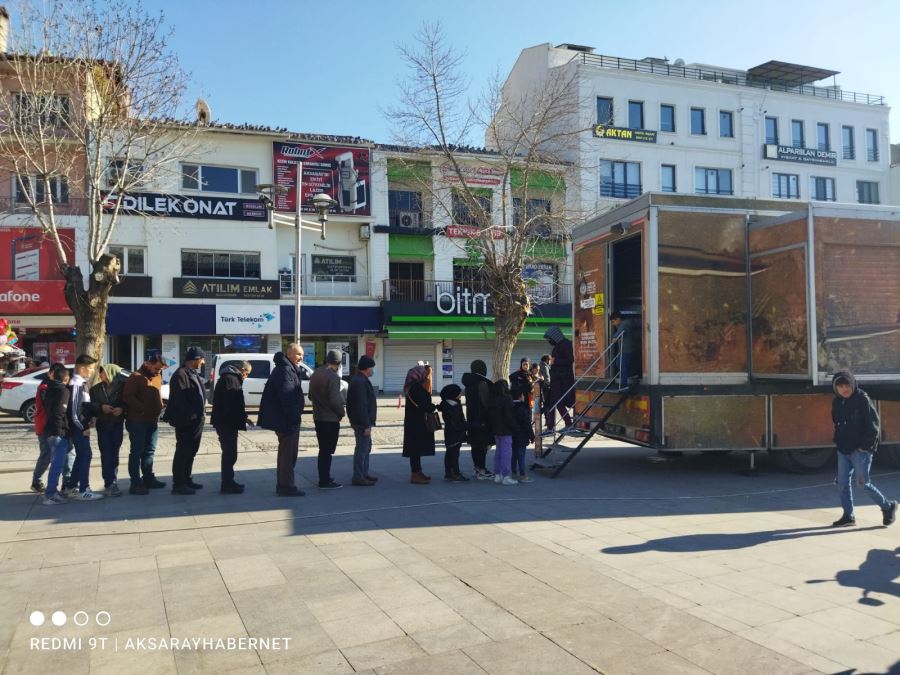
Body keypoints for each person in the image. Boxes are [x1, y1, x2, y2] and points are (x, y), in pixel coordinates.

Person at [831, 371, 897, 528]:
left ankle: (888, 507)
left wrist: (864, 446)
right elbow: (838, 423)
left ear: (853, 384)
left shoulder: (862, 399)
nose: (844, 389)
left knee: (863, 484)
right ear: (836, 389)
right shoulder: (837, 402)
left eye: (847, 385)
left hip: (860, 450)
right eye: (840, 386)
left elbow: (874, 425)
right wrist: (838, 441)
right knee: (842, 483)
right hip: (843, 449)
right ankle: (848, 516)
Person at [258, 344, 306, 496]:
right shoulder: (285, 370)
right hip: (286, 422)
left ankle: (285, 484)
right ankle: (286, 487)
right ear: (289, 354)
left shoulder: (287, 368)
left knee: (288, 454)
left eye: (302, 354)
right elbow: (287, 397)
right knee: (287, 455)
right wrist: (294, 418)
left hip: (287, 420)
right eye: (298, 354)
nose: (301, 357)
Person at [166, 347, 207, 495]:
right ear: (195, 359)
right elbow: (181, 401)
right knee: (183, 452)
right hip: (186, 422)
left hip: (196, 420)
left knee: (191, 451)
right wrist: (193, 417)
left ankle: (187, 479)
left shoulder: (192, 373)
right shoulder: (180, 374)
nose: (203, 362)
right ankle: (179, 484)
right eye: (202, 359)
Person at [122, 354, 165, 494]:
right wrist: (143, 408)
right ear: (148, 364)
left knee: (150, 450)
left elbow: (158, 392)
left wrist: (160, 406)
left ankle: (148, 478)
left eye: (161, 369)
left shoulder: (158, 376)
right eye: (156, 368)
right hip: (137, 421)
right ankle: (135, 483)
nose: (158, 371)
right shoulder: (136, 377)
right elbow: (128, 397)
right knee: (137, 451)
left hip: (152, 420)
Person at [65, 354, 104, 500]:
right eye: (91, 368)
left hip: (82, 427)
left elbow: (84, 408)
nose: (93, 371)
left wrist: (90, 420)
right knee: (85, 455)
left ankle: (72, 486)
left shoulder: (82, 383)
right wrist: (83, 428)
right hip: (78, 429)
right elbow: (74, 412)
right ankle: (83, 489)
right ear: (82, 368)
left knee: (83, 456)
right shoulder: (76, 384)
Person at [211, 361, 251, 494]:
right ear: (242, 369)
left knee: (230, 454)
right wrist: (240, 418)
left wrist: (244, 418)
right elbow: (232, 404)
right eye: (247, 373)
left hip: (226, 422)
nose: (246, 376)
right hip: (227, 423)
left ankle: (229, 481)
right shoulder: (231, 379)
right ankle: (227, 484)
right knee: (229, 454)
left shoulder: (230, 378)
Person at [309, 349, 345, 490]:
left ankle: (323, 477)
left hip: (318, 417)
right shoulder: (333, 377)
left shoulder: (316, 373)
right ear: (339, 362)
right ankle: (325, 480)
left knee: (322, 449)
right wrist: (342, 412)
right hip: (330, 419)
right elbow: (335, 401)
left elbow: (311, 396)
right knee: (327, 451)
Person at [90, 363, 127, 497]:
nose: (100, 375)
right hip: (103, 425)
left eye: (103, 372)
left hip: (117, 424)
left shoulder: (122, 387)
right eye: (100, 372)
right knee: (106, 454)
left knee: (114, 453)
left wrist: (122, 409)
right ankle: (109, 483)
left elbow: (128, 403)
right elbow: (91, 405)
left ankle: (113, 480)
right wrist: (101, 407)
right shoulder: (95, 389)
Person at [41, 364, 72, 505]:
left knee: (55, 463)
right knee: (57, 465)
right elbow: (60, 412)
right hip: (58, 432)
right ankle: (51, 493)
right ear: (66, 378)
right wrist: (60, 431)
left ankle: (52, 491)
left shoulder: (49, 388)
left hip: (49, 431)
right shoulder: (63, 391)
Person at [347, 355, 378, 486]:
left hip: (362, 421)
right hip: (362, 423)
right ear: (366, 368)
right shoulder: (360, 381)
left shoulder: (360, 379)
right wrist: (366, 425)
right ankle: (358, 476)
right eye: (371, 368)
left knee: (366, 448)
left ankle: (364, 473)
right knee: (362, 449)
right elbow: (361, 406)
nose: (372, 370)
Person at [403, 363, 435, 484]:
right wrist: (433, 407)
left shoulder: (411, 387)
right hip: (416, 422)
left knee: (415, 448)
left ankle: (418, 471)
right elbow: (425, 404)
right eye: (424, 374)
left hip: (414, 421)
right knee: (415, 448)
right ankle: (415, 474)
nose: (425, 376)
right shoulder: (416, 388)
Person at [462, 360, 494, 480]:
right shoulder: (482, 383)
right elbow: (485, 403)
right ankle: (482, 469)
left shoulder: (469, 383)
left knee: (475, 445)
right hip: (482, 420)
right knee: (482, 445)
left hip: (472, 418)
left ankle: (477, 468)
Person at [544, 326, 574, 431]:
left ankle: (567, 424)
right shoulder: (557, 346)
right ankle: (552, 426)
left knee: (558, 403)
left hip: (563, 379)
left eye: (549, 339)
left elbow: (570, 360)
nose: (549, 341)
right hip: (556, 379)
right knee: (553, 403)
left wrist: (555, 362)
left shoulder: (566, 345)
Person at [438, 383, 468, 482]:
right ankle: (455, 473)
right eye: (459, 393)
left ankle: (449, 472)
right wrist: (465, 427)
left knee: (450, 452)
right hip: (455, 433)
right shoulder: (453, 406)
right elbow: (457, 422)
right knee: (454, 454)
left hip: (450, 432)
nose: (461, 395)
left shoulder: (448, 404)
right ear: (453, 394)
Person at [490, 379, 518, 485]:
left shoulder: (493, 399)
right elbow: (509, 416)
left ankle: (497, 474)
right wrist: (514, 427)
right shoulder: (507, 399)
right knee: (506, 452)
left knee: (498, 452)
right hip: (506, 430)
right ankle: (506, 476)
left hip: (496, 429)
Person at [30, 371, 52, 493]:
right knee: (46, 455)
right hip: (44, 425)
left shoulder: (46, 386)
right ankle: (36, 482)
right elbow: (48, 407)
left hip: (43, 424)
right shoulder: (45, 388)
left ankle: (37, 481)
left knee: (46, 454)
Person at [511, 384, 536, 483]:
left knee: (514, 454)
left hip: (512, 435)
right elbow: (527, 425)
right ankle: (522, 475)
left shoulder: (510, 407)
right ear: (520, 396)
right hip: (521, 435)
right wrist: (532, 436)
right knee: (521, 455)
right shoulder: (523, 408)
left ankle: (513, 472)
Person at [610, 310, 638, 390]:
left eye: (613, 321)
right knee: (618, 363)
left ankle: (624, 385)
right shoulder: (622, 325)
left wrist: (615, 337)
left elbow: (620, 331)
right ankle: (632, 374)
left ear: (618, 319)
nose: (613, 324)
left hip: (627, 350)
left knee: (622, 366)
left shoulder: (624, 324)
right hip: (624, 350)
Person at [539, 354, 553, 432]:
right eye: (549, 360)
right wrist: (548, 386)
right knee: (548, 405)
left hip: (543, 388)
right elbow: (547, 378)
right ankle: (548, 422)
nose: (550, 362)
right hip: (546, 388)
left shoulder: (541, 365)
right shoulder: (544, 366)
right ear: (547, 360)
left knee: (546, 404)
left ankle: (547, 422)